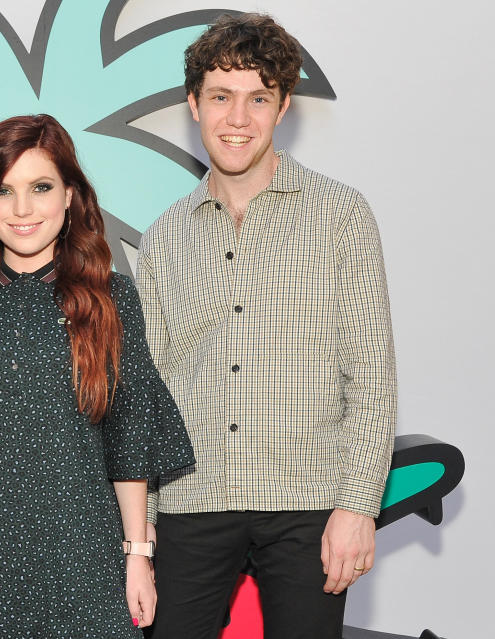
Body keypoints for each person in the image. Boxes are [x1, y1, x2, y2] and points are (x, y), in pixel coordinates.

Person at [137, 14, 397, 639]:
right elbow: (144, 391)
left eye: (259, 99)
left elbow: (370, 371)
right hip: (190, 502)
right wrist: (138, 524)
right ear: (193, 104)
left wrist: (358, 506)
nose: (237, 119)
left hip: (307, 501)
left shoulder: (342, 215)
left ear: (282, 108)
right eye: (221, 97)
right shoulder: (165, 234)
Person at [0, 114, 195, 639]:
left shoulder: (110, 299)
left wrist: (137, 554)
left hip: (83, 556)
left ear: (70, 195)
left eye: (40, 188)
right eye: (4, 190)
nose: (22, 209)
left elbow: (129, 440)